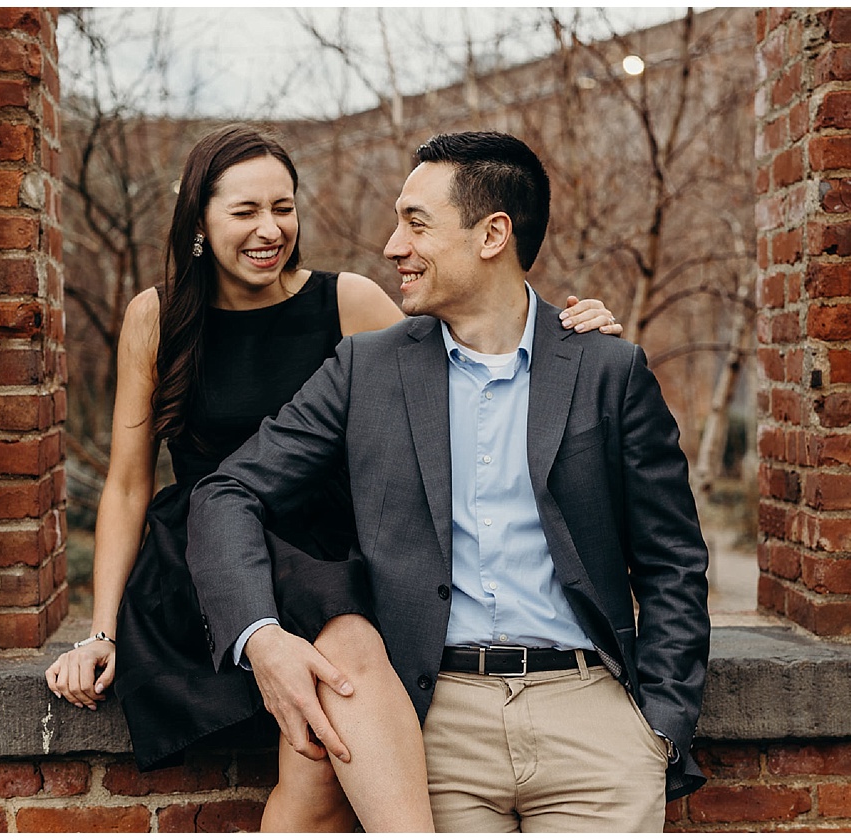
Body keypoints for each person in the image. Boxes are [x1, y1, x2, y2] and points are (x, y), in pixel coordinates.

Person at [40, 125, 624, 831]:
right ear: (199, 220)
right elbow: (129, 485)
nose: (269, 229)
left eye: (282, 207)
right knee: (330, 693)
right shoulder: (157, 318)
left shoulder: (346, 300)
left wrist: (570, 330)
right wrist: (101, 634)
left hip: (329, 547)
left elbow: (479, 344)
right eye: (244, 211)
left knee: (318, 750)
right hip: (213, 547)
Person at [185, 130, 710, 831]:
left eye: (415, 223)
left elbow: (673, 560)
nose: (392, 246)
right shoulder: (364, 371)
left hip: (595, 725)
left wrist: (662, 726)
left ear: (492, 234)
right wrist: (261, 635)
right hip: (433, 722)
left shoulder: (607, 370)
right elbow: (226, 493)